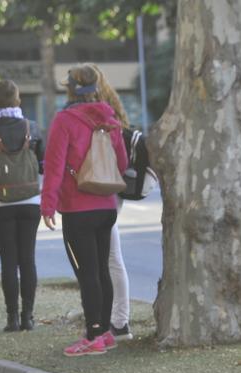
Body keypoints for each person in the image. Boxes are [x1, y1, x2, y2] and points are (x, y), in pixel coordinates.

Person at [41, 64, 128, 357]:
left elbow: (53, 166)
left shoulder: (65, 120)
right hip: (107, 206)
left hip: (78, 209)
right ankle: (104, 332)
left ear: (70, 88)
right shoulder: (109, 117)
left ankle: (93, 335)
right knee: (102, 269)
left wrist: (48, 204)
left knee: (87, 273)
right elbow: (123, 163)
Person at [0, 79, 47, 331]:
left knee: (8, 261)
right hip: (30, 202)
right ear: (18, 100)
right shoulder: (33, 128)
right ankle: (28, 317)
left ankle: (12, 318)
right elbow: (43, 164)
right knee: (28, 258)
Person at [92, 63, 134, 341]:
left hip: (98, 188)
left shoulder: (95, 112)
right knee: (109, 257)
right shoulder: (113, 108)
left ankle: (118, 321)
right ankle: (115, 319)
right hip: (112, 188)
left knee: (108, 257)